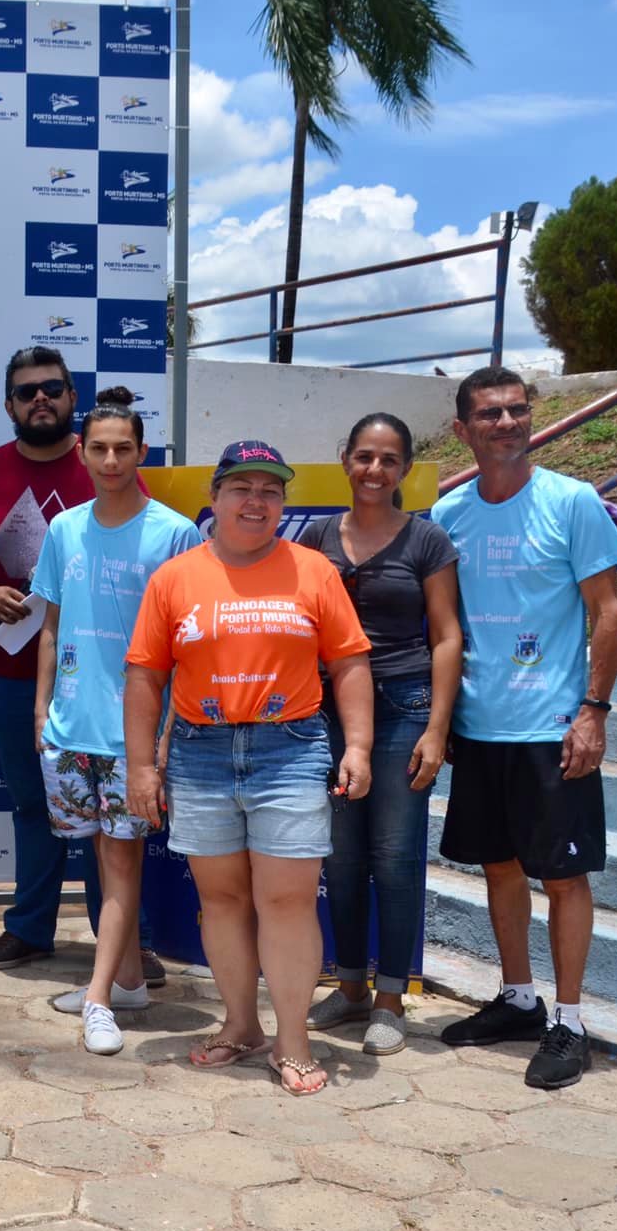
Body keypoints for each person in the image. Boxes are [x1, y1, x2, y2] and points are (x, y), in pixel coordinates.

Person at [124, 440, 373, 1096]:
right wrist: (142, 767)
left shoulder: (314, 571)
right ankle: (241, 1027)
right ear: (215, 499)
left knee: (287, 900)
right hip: (201, 753)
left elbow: (349, 662)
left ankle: (293, 1040)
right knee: (223, 900)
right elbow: (146, 677)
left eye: (270, 490)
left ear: (283, 503)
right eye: (242, 488)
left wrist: (359, 746)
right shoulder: (175, 578)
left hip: (289, 749)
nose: (256, 501)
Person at [431, 366, 617, 1090]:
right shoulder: (450, 517)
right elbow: (444, 628)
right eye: (490, 414)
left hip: (554, 731)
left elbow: (608, 612)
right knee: (499, 867)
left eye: (517, 410)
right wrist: (444, 718)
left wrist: (592, 712)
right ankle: (518, 998)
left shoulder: (571, 502)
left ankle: (569, 1021)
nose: (507, 423)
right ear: (463, 429)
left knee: (564, 877)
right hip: (481, 730)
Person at [0, 346, 160, 977]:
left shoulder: (108, 464)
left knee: (112, 819)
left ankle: (121, 943)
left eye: (53, 388)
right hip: (11, 676)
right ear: (8, 405)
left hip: (104, 682)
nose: (40, 398)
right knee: (31, 807)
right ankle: (29, 929)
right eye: (26, 391)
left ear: (72, 398)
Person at [32, 387, 201, 1055]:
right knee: (103, 857)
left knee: (122, 863)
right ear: (82, 451)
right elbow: (50, 626)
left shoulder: (175, 533)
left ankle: (99, 997)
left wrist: (160, 742)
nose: (109, 459)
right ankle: (127, 976)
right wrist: (40, 708)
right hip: (70, 729)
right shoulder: (63, 529)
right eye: (98, 448)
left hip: (134, 738)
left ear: (142, 452)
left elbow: (187, 650)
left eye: (122, 448)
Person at [299, 414, 461, 1055]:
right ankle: (349, 988)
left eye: (389, 460)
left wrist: (437, 727)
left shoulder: (427, 540)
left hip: (403, 710)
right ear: (345, 459)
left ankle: (391, 998)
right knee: (338, 860)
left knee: (394, 859)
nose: (374, 470)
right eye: (364, 456)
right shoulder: (313, 537)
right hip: (327, 710)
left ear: (405, 469)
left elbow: (447, 637)